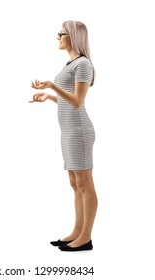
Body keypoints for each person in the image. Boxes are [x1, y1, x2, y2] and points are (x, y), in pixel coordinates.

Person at [30, 20, 98, 251]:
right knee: (74, 183)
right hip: (68, 131)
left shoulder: (83, 65)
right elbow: (69, 100)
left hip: (79, 131)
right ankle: (77, 231)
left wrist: (51, 86)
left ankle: (86, 237)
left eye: (62, 33)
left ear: (73, 37)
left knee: (85, 183)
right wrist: (49, 97)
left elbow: (78, 101)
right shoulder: (70, 63)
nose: (57, 36)